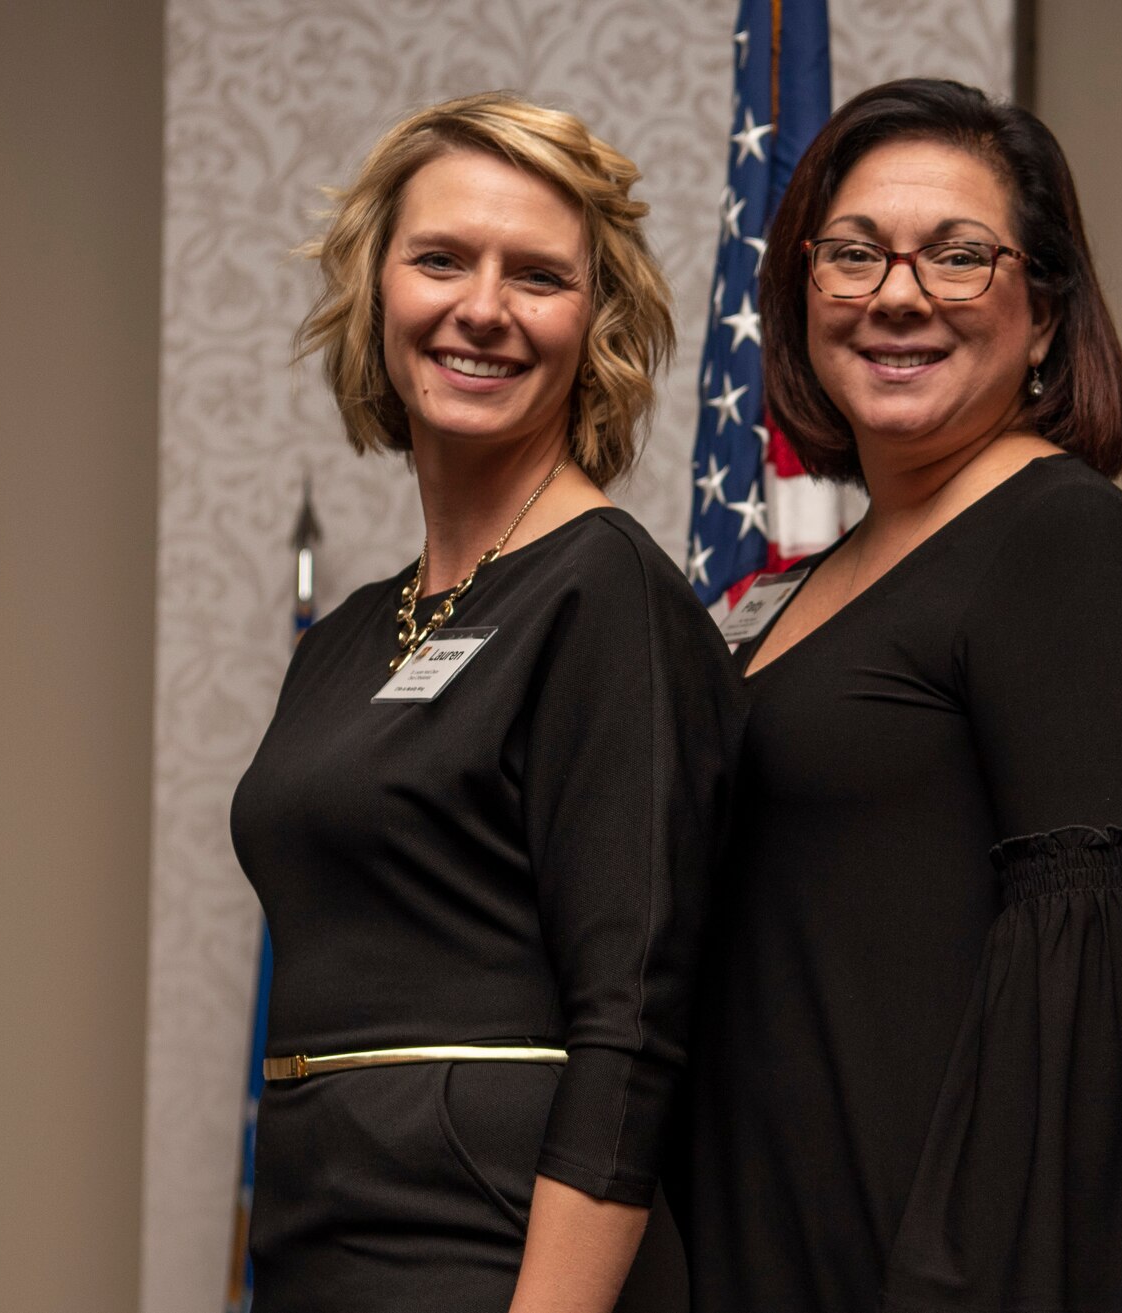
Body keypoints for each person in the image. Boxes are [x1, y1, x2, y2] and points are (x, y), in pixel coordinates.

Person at [679, 78, 1122, 1313]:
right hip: (768, 1250)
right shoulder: (813, 579)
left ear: (1043, 315)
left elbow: (1096, 1015)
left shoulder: (1063, 543)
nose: (897, 294)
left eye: (957, 256)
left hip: (941, 1274)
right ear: (800, 295)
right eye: (853, 254)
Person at [230, 92, 738, 1312]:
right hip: (318, 1235)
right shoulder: (347, 636)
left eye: (539, 276)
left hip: (490, 1254)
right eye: (442, 259)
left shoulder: (606, 591)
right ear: (377, 290)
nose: (482, 309)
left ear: (597, 322)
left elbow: (632, 1029)